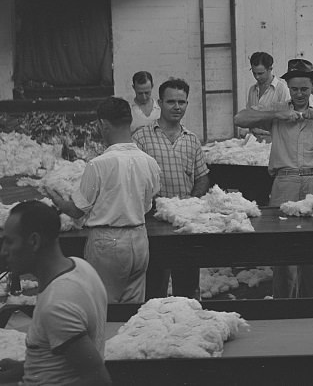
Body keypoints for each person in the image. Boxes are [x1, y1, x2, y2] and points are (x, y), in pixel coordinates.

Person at [234, 59, 313, 297]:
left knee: (312, 248)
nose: (299, 94)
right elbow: (240, 119)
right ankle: (283, 302)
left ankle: (309, 302)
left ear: (312, 87)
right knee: (282, 246)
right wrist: (278, 115)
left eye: (304, 89)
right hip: (285, 180)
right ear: (288, 89)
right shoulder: (279, 109)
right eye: (294, 89)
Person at [47, 97, 161, 304]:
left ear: (103, 125)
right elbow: (146, 206)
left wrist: (58, 200)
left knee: (103, 306)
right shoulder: (150, 163)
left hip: (108, 243)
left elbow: (78, 211)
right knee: (132, 311)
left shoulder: (99, 165)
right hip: (139, 239)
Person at [0, 201, 110, 385]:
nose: (4, 251)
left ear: (34, 241)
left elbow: (98, 380)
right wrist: (26, 369)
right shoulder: (80, 267)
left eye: (10, 242)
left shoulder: (57, 305)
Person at [132, 77, 208, 300]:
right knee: (154, 285)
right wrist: (158, 205)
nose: (177, 107)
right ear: (160, 103)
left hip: (185, 223)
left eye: (182, 102)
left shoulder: (191, 139)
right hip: (154, 222)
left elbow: (202, 177)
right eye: (171, 102)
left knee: (187, 285)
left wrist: (191, 202)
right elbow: (135, 181)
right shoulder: (141, 138)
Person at [243, 51, 290, 138]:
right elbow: (249, 116)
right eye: (254, 73)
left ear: (270, 69)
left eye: (260, 73)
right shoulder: (252, 90)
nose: (257, 77)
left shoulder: (281, 89)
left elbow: (287, 118)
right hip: (254, 139)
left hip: (274, 139)